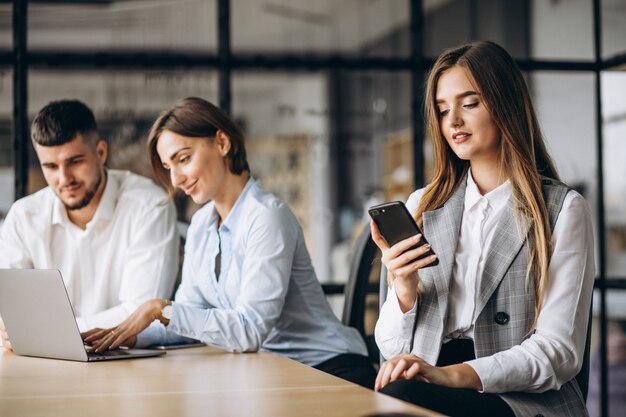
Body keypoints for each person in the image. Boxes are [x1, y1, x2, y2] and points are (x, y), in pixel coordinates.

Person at [83, 97, 376, 389]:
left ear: (222, 143)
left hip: (329, 370)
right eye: (168, 167)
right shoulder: (201, 225)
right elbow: (190, 317)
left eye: (183, 159)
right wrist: (128, 335)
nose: (176, 180)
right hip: (272, 370)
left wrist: (160, 310)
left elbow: (248, 331)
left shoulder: (267, 218)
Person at [370, 41, 595, 417]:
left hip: (520, 397)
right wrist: (404, 290)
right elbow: (392, 350)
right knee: (383, 394)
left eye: (469, 103)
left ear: (505, 105)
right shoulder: (423, 205)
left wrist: (454, 376)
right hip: (425, 382)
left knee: (401, 401)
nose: (453, 121)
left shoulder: (561, 209)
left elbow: (560, 352)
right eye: (443, 110)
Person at [0, 99, 179, 349]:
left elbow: (141, 314)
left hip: (127, 367)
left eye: (75, 161)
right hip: (44, 363)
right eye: (50, 166)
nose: (64, 178)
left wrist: (48, 331)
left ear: (101, 152)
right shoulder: (23, 217)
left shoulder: (150, 206)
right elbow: (10, 313)